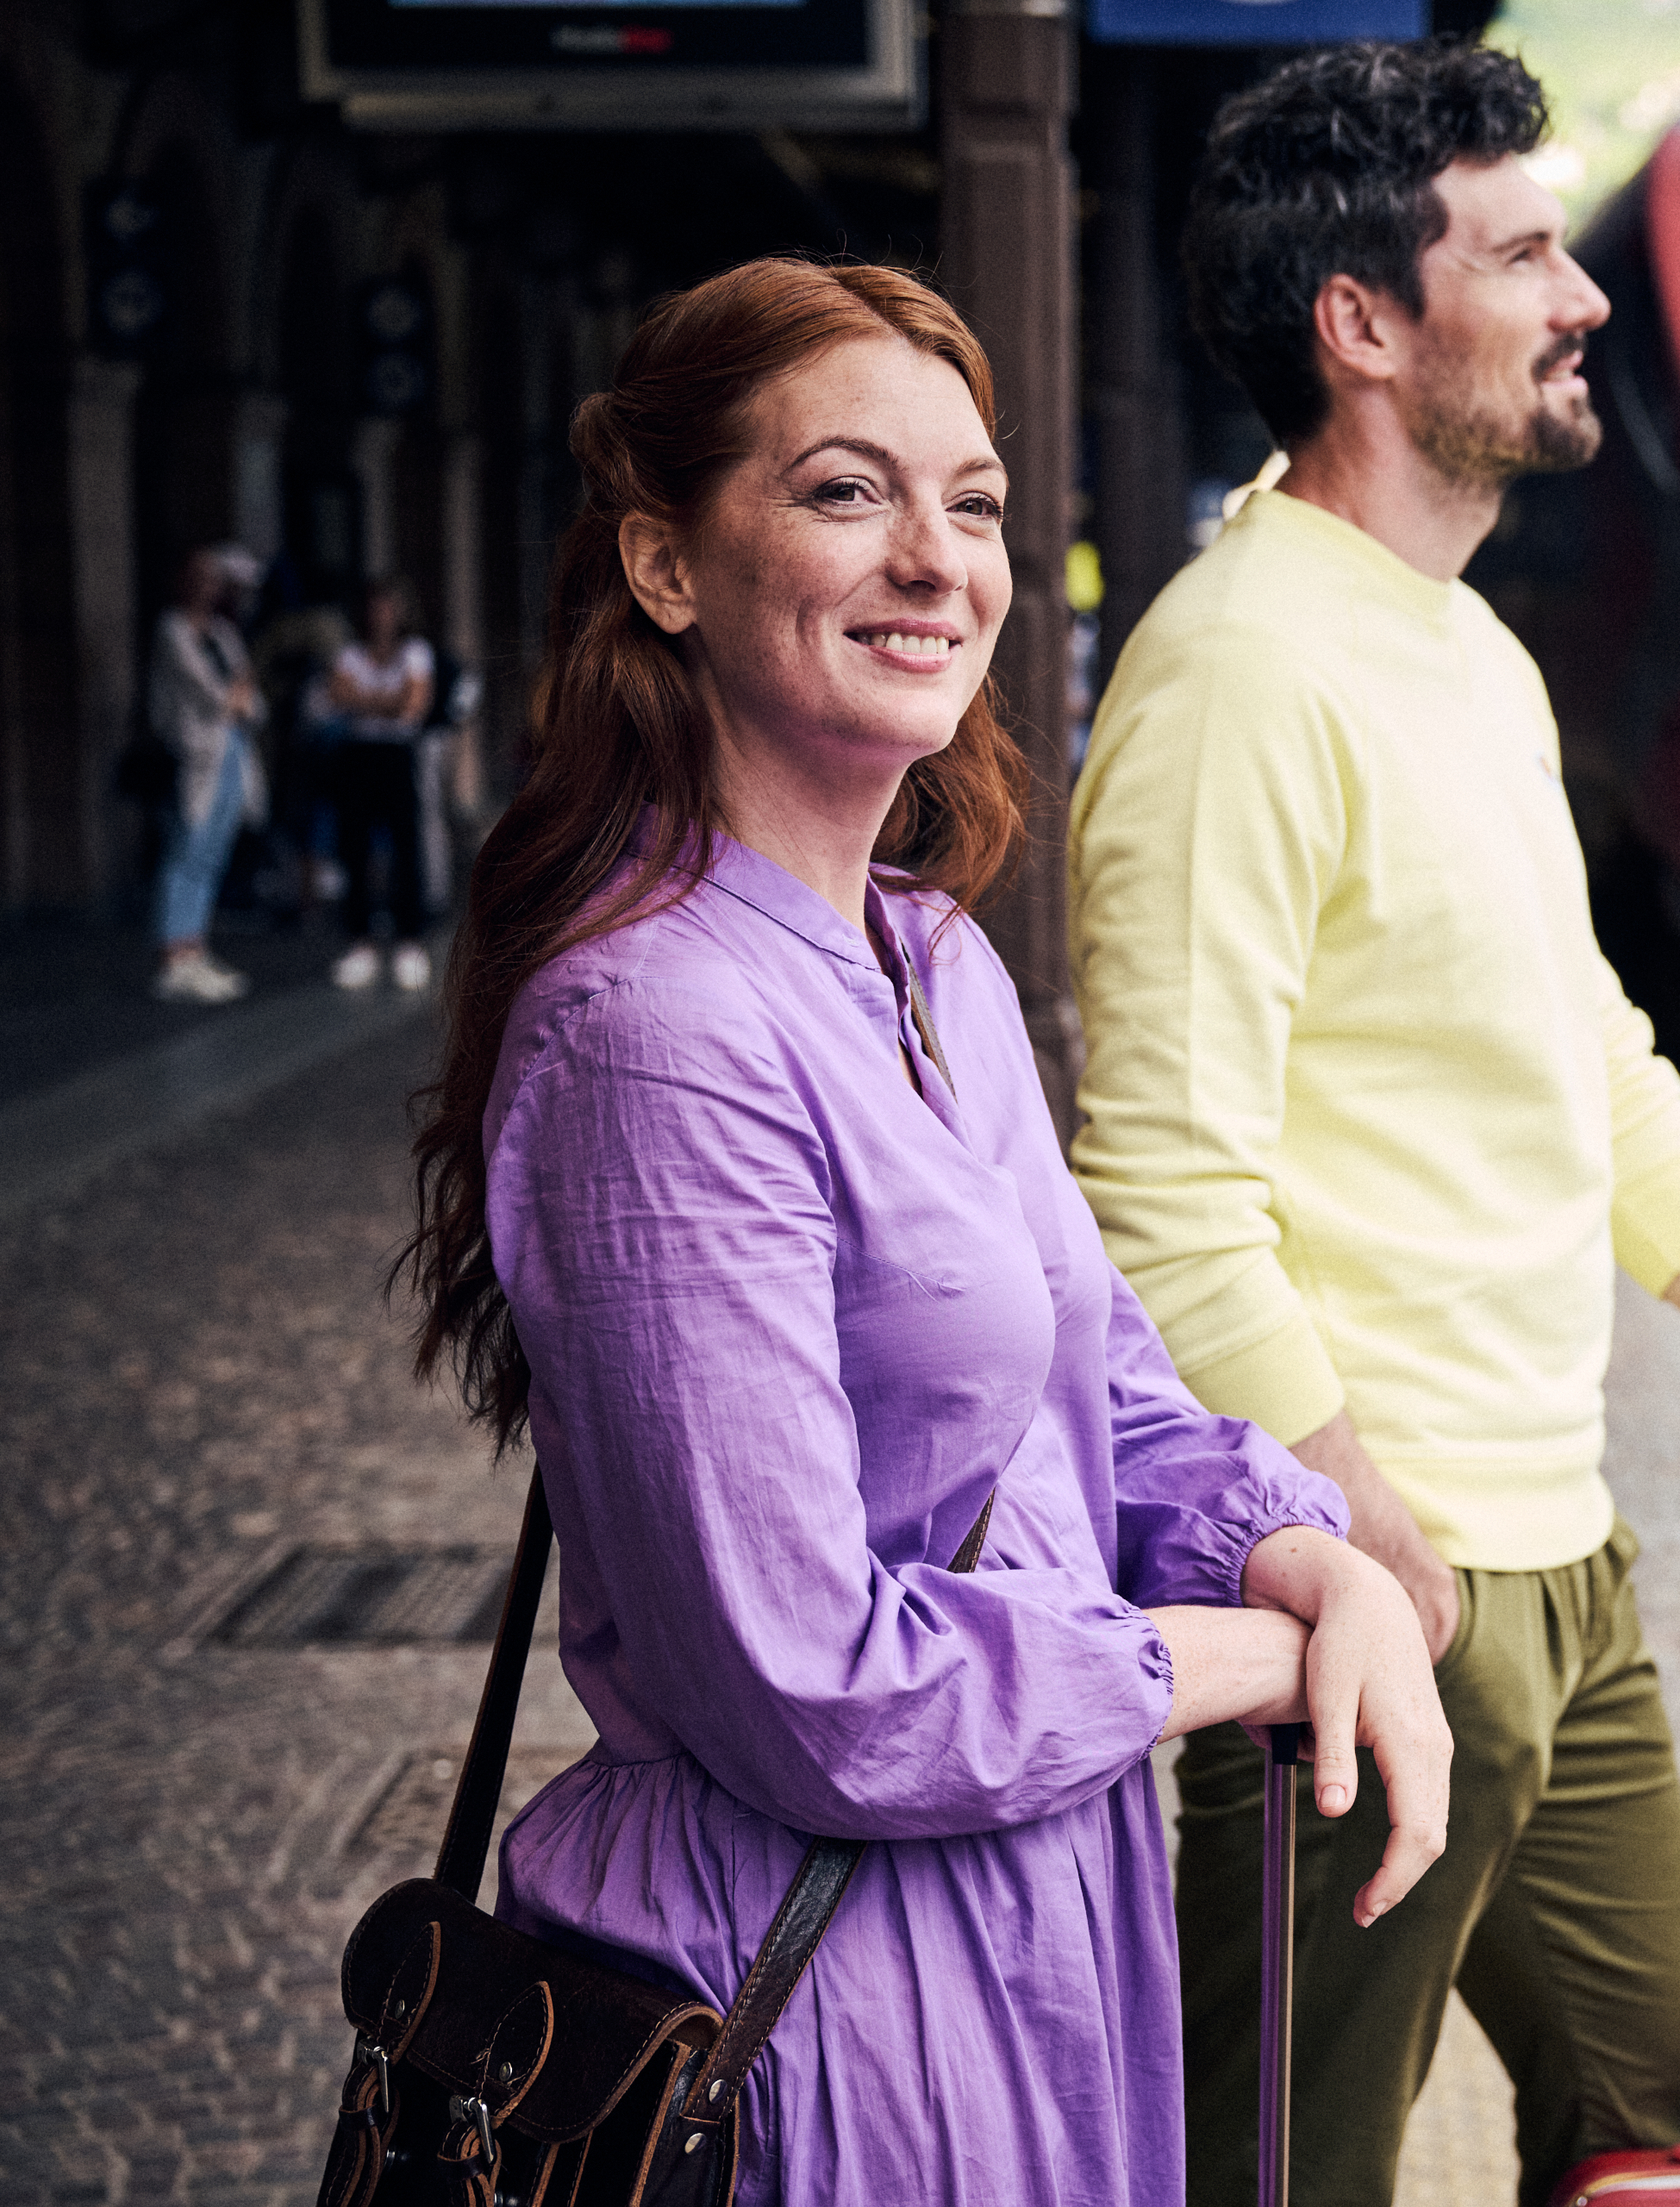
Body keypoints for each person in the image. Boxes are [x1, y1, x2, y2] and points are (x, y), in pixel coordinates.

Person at [397, 256, 1451, 2206]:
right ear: (664, 564)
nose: (935, 558)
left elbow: (1106, 1400)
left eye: (970, 502)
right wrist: (1237, 1658)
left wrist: (1307, 1549)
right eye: (839, 490)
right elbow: (817, 1683)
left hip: (1044, 1914)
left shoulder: (935, 956)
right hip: (815, 1991)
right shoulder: (654, 1027)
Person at [1066, 42, 1680, 2207]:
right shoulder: (1236, 676)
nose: (1579, 297)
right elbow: (1159, 1194)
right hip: (1375, 1581)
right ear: (1362, 327)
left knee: (1651, 2127)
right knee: (1286, 2172)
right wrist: (1374, 1538)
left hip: (1561, 1574)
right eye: (1519, 251)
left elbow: (1593, 1061)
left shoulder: (1463, 654)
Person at [148, 542, 266, 1004]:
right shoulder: (173, 630)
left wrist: (237, 697)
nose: (207, 586)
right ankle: (173, 955)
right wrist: (234, 697)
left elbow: (251, 696)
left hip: (231, 753)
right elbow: (211, 692)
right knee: (187, 847)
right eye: (199, 576)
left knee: (212, 852)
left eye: (213, 579)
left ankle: (195, 948)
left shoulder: (222, 632)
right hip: (195, 755)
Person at [324, 575, 436, 991]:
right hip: (358, 756)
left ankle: (410, 940)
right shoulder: (350, 653)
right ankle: (361, 941)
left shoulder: (416, 651)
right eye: (374, 607)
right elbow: (337, 697)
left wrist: (366, 700)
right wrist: (385, 702)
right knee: (355, 847)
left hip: (397, 756)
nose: (380, 616)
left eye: (387, 607)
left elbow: (413, 705)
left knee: (408, 845)